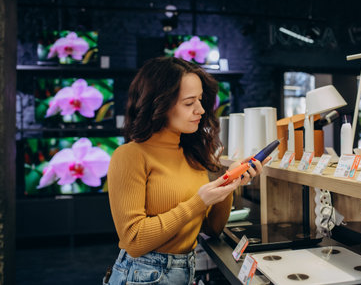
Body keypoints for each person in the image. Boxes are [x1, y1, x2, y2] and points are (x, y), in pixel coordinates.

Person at [103, 57, 270, 285]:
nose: (200, 110)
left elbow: (211, 228)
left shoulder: (191, 153)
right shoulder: (129, 156)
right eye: (189, 103)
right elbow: (134, 240)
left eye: (200, 100)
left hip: (185, 270)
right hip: (142, 274)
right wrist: (198, 201)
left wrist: (229, 183)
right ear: (158, 104)